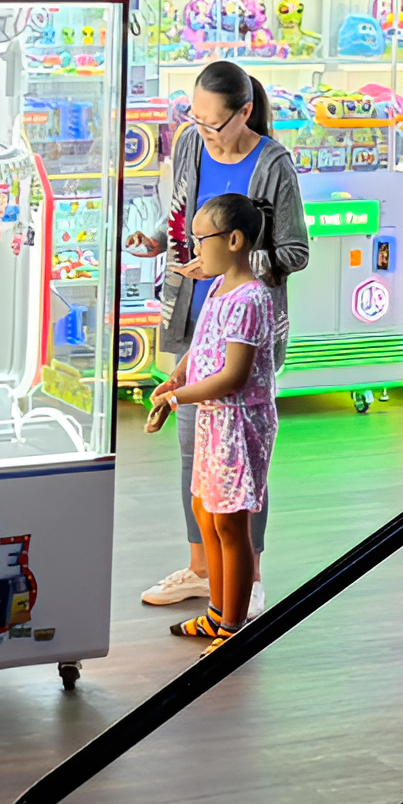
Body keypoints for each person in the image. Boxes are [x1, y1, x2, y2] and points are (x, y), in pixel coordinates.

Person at [128, 60, 309, 612]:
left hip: (244, 337)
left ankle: (247, 580)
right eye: (195, 119)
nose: (202, 132)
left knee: (244, 463)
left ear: (245, 111)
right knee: (196, 457)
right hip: (194, 322)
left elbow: (295, 251)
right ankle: (202, 570)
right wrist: (161, 241)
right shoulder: (188, 144)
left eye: (213, 123)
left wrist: (231, 260)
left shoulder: (273, 164)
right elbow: (187, 216)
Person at [145, 194, 282, 649]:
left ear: (235, 240)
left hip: (239, 427)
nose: (194, 251)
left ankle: (232, 626)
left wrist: (175, 399)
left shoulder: (250, 298)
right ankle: (216, 611)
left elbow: (232, 376)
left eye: (200, 240)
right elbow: (201, 345)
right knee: (207, 513)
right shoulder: (219, 288)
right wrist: (176, 377)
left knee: (230, 524)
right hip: (213, 421)